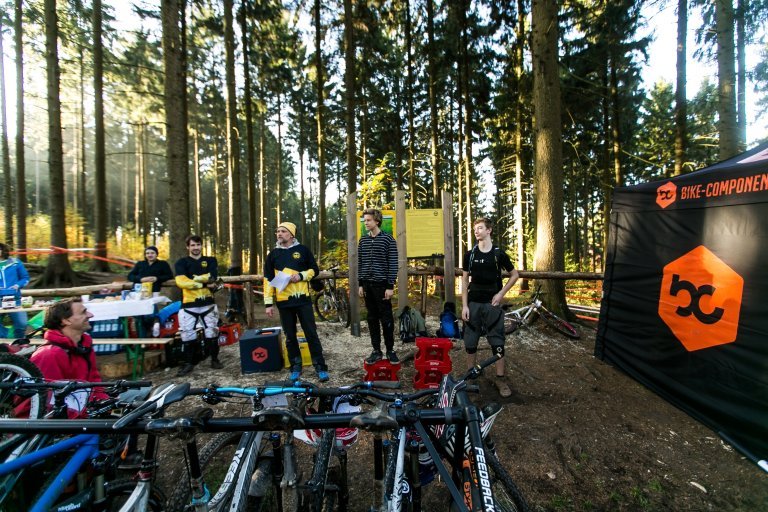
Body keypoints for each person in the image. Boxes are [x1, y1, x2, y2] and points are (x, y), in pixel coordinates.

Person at [264, 222, 330, 382]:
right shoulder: (272, 255)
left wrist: (301, 276)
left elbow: (315, 270)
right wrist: (268, 303)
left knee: (311, 333)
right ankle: (295, 366)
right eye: (278, 231)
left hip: (303, 301)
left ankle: (320, 367)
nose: (279, 234)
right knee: (290, 336)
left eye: (283, 231)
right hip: (283, 302)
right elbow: (267, 279)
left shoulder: (303, 250)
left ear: (291, 235)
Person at [461, 217, 519, 398]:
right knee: (471, 341)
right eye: (474, 229)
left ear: (489, 230)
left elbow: (514, 275)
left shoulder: (498, 254)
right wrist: (464, 305)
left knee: (497, 341)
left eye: (479, 228)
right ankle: (471, 376)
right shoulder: (469, 255)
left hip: (493, 305)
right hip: (473, 304)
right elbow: (464, 280)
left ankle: (500, 378)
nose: (476, 231)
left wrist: (501, 294)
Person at [30, 298, 108, 418]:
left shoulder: (84, 348)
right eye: (83, 312)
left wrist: (107, 402)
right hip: (63, 422)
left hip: (86, 408)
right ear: (66, 320)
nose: (90, 315)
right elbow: (47, 401)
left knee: (142, 398)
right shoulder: (49, 354)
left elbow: (95, 383)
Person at [174, 235, 223, 376]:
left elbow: (212, 278)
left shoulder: (210, 260)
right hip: (189, 305)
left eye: (198, 245)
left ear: (202, 245)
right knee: (187, 334)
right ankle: (188, 363)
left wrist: (193, 279)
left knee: (212, 332)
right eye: (193, 245)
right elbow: (181, 282)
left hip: (208, 304)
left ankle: (214, 359)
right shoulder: (181, 262)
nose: (196, 248)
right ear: (187, 247)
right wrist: (202, 283)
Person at [358, 208, 399, 365]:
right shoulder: (363, 241)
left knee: (386, 318)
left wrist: (390, 286)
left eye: (368, 220)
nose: (366, 223)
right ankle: (376, 351)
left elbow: (393, 264)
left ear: (377, 221)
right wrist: (360, 284)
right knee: (372, 318)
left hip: (382, 286)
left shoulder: (388, 240)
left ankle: (390, 350)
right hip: (367, 285)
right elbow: (360, 263)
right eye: (365, 220)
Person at [0, 243, 30, 339]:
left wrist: (18, 285)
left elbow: (25, 278)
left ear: (3, 250)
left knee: (22, 323)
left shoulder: (15, 262)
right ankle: (3, 342)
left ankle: (19, 343)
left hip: (14, 298)